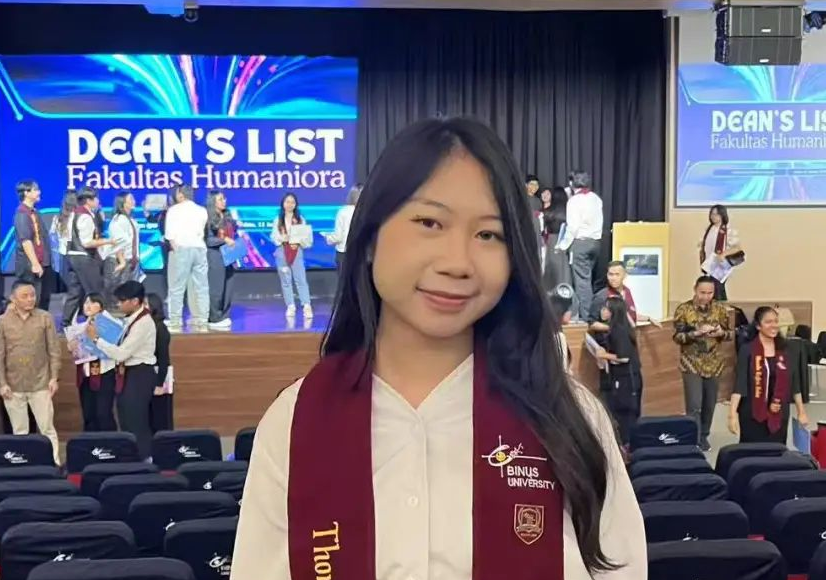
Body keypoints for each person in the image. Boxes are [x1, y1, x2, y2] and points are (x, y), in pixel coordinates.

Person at [231, 118, 646, 580]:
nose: (457, 263)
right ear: (368, 239)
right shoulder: (296, 423)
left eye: (488, 235)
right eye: (429, 223)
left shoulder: (568, 418)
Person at [0, 280, 62, 463]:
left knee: (47, 429)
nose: (30, 299)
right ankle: (24, 465)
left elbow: (54, 350)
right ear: (13, 299)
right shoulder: (2, 321)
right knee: (20, 431)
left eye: (32, 295)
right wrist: (1, 384)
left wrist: (54, 377)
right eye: (25, 296)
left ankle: (54, 464)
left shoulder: (45, 318)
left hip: (41, 383)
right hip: (12, 385)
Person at [87, 281, 158, 459]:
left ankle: (145, 458)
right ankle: (131, 457)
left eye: (122, 301)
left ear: (135, 301)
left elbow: (121, 354)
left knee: (136, 419)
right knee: (125, 417)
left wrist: (96, 340)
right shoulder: (131, 319)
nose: (118, 304)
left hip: (140, 374)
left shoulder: (143, 323)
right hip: (129, 374)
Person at [728, 306, 810, 443]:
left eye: (776, 321)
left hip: (779, 411)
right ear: (758, 326)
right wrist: (732, 414)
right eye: (768, 322)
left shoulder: (786, 350)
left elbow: (794, 383)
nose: (773, 325)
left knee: (776, 451)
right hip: (752, 413)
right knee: (752, 450)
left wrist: (801, 412)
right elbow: (739, 384)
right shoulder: (747, 350)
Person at [672, 275, 733, 451]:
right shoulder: (684, 309)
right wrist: (695, 334)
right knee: (694, 404)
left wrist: (721, 333)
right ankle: (693, 437)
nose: (706, 296)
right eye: (702, 292)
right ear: (695, 290)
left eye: (709, 293)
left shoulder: (720, 310)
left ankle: (704, 435)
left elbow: (730, 334)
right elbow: (677, 337)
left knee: (709, 403)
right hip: (691, 363)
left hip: (714, 363)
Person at [589, 294, 642, 447]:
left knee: (624, 416)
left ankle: (626, 447)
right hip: (629, 377)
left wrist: (602, 354)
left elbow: (624, 357)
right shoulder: (621, 327)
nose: (602, 311)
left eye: (606, 308)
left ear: (613, 311)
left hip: (626, 379)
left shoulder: (619, 330)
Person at [63, 187, 114, 326]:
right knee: (96, 291)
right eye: (96, 198)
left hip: (73, 256)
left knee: (75, 292)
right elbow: (87, 242)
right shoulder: (85, 216)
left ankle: (65, 323)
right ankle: (100, 324)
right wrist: (108, 241)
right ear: (88, 200)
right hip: (84, 258)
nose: (98, 201)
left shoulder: (74, 213)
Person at [67, 293, 117, 433]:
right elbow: (76, 351)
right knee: (88, 413)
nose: (88, 306)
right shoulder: (81, 326)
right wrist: (72, 347)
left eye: (93, 302)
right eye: (86, 302)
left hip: (104, 373)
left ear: (101, 306)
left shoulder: (109, 324)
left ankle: (111, 442)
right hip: (85, 374)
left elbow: (114, 349)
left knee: (103, 413)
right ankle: (91, 443)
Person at [164, 185, 210, 332]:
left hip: (181, 248)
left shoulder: (173, 210)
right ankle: (203, 320)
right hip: (199, 249)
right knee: (201, 287)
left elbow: (169, 235)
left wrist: (176, 249)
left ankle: (175, 321)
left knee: (177, 287)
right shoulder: (202, 210)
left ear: (180, 195)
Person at [563, 171, 604, 323]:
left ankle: (587, 317)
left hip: (580, 243)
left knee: (582, 282)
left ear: (573, 183)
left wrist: (563, 245)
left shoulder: (575, 201)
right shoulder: (596, 199)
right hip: (595, 243)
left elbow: (572, 227)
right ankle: (588, 313)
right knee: (587, 279)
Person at [270, 193, 313, 320]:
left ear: (295, 205)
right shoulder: (278, 220)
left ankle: (306, 305)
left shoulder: (300, 219)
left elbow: (307, 238)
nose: (289, 205)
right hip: (282, 251)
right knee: (286, 280)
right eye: (287, 202)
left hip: (296, 251)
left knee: (301, 279)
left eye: (292, 202)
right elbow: (274, 236)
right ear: (283, 204)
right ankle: (290, 305)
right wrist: (282, 238)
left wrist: (299, 241)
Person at [13, 180, 53, 310]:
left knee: (43, 299)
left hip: (42, 263)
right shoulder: (22, 214)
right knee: (33, 300)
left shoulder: (34, 212)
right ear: (26, 193)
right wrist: (35, 263)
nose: (39, 192)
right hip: (30, 266)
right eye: (35, 190)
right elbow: (26, 241)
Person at [205, 191, 238, 331]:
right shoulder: (208, 218)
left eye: (224, 198)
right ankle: (214, 317)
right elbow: (208, 240)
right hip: (215, 255)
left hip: (229, 256)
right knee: (216, 288)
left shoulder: (227, 216)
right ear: (213, 201)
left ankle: (224, 315)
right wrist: (224, 240)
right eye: (220, 199)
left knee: (228, 287)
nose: (224, 201)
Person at [102, 192, 141, 303]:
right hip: (119, 261)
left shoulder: (131, 219)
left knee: (129, 294)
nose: (134, 201)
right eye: (130, 199)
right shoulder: (118, 220)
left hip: (131, 260)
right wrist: (122, 262)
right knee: (118, 295)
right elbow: (118, 242)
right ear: (123, 203)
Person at [699, 204, 742, 302]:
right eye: (712, 214)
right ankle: (718, 307)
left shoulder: (728, 230)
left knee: (718, 288)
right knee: (713, 289)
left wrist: (723, 254)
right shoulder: (709, 229)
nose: (713, 216)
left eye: (716, 214)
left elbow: (737, 248)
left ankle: (721, 308)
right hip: (709, 264)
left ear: (722, 215)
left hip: (720, 266)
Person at [541, 186, 571, 322]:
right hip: (566, 242)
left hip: (552, 241)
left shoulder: (547, 213)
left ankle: (549, 307)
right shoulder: (569, 211)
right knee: (564, 274)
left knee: (551, 275)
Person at [148, 293, 174, 433]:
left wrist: (159, 384)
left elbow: (164, 359)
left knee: (160, 418)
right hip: (149, 377)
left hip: (159, 377)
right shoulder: (148, 326)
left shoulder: (160, 329)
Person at [325, 184, 362, 270]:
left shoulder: (343, 212)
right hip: (362, 253)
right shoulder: (368, 211)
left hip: (344, 253)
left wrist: (328, 237)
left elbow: (338, 237)